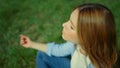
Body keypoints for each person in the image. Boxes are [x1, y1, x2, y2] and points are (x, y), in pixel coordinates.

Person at [20, 3, 118, 68]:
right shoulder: (77, 45)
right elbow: (58, 49)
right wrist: (31, 44)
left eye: (71, 27)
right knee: (42, 54)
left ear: (88, 37)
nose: (63, 24)